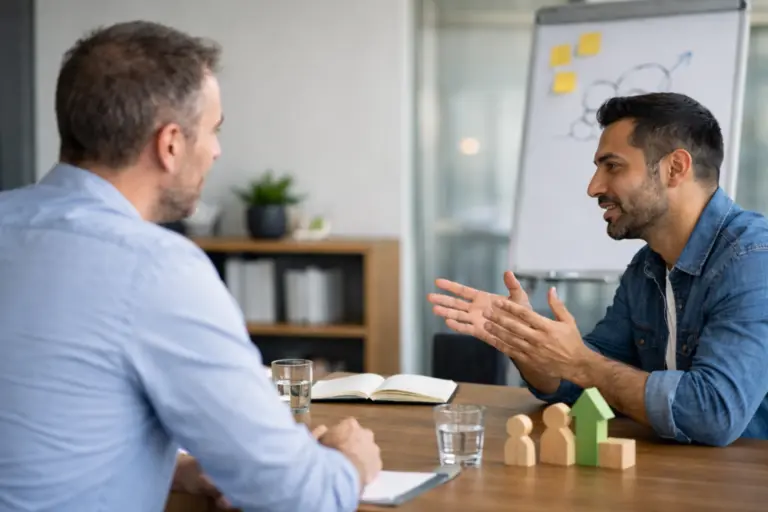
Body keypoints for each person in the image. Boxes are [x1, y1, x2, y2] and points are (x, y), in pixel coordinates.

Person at [0, 21, 381, 512]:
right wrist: (352, 464)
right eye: (214, 130)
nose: (217, 150)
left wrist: (174, 468)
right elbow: (297, 496)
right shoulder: (156, 270)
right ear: (172, 144)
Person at [429, 92, 768, 447]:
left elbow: (713, 413)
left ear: (675, 168)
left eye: (613, 166)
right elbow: (585, 380)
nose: (594, 187)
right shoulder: (647, 266)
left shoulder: (753, 259)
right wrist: (528, 343)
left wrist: (582, 363)